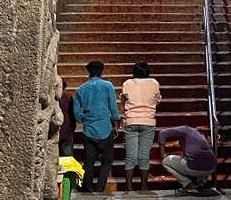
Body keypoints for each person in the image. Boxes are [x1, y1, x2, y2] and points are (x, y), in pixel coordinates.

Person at [73, 60, 121, 193]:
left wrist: (85, 119)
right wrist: (116, 123)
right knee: (106, 162)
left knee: (88, 162)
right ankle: (100, 188)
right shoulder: (107, 86)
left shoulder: (81, 89)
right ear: (101, 71)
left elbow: (76, 113)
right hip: (105, 128)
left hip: (89, 130)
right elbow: (113, 107)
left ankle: (88, 188)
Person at [121, 61, 162, 192]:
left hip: (131, 121)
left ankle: (129, 188)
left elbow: (123, 100)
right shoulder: (154, 83)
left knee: (130, 156)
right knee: (144, 156)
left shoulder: (127, 83)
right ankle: (144, 187)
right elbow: (158, 100)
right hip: (148, 122)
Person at [159, 125, 216, 194]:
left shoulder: (185, 129)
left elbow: (162, 133)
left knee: (165, 161)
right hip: (211, 168)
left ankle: (187, 184)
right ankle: (200, 184)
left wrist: (162, 152)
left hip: (195, 168)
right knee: (200, 158)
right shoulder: (200, 135)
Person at [59, 79, 76, 156]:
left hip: (56, 131)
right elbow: (72, 114)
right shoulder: (68, 96)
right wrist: (72, 128)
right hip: (66, 129)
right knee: (67, 156)